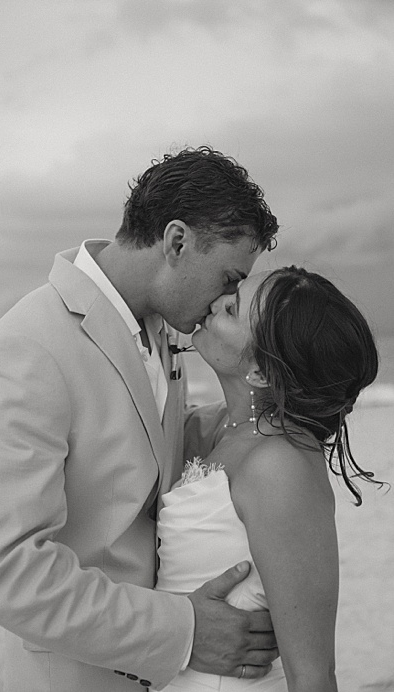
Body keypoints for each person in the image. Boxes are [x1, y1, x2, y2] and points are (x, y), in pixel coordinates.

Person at [0, 147, 281, 689]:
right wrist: (185, 631)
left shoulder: (157, 326)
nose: (228, 299)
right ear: (176, 242)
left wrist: (276, 413)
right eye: (228, 278)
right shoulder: (29, 347)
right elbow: (3, 570)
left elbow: (147, 446)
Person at [158, 266, 381, 691]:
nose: (217, 302)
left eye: (233, 309)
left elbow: (313, 674)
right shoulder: (227, 432)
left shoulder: (280, 465)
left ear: (260, 373)